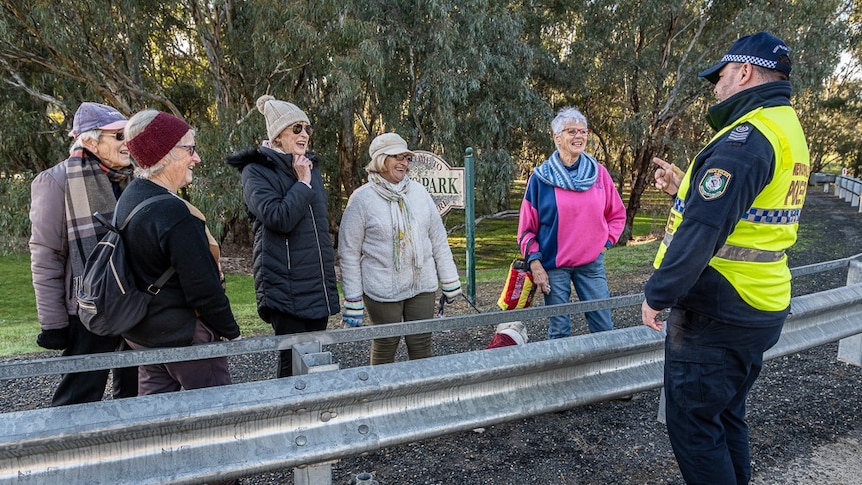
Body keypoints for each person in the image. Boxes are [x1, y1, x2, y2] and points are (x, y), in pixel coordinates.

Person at [641, 31, 810, 484]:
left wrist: (658, 293)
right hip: (759, 302)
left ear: (744, 72)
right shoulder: (784, 128)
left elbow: (704, 230)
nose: (715, 87)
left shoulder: (746, 140)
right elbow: (747, 209)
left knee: (694, 426)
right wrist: (686, 187)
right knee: (726, 415)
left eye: (720, 77)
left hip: (717, 309)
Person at [118, 110, 241, 399]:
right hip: (184, 338)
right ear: (166, 154)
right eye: (189, 149)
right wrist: (230, 331)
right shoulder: (174, 214)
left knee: (157, 423)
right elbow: (203, 289)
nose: (196, 158)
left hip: (144, 335)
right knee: (219, 416)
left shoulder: (132, 196)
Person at [29, 101, 139, 406]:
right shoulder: (55, 181)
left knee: (137, 393)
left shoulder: (133, 179)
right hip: (87, 307)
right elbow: (46, 255)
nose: (127, 143)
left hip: (133, 300)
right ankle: (62, 451)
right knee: (79, 394)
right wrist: (53, 326)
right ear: (90, 140)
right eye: (118, 136)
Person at [226, 95, 339, 377]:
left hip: (316, 283)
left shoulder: (310, 167)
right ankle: (288, 418)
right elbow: (279, 217)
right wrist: (302, 183)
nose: (305, 134)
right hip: (285, 286)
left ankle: (316, 418)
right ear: (277, 136)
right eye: (297, 128)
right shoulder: (256, 171)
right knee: (291, 367)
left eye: (307, 128)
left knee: (317, 363)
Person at [338, 133, 462, 364]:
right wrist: (353, 298)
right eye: (398, 157)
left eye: (406, 158)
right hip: (382, 289)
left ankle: (420, 396)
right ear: (380, 160)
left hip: (422, 284)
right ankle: (383, 398)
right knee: (386, 343)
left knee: (421, 343)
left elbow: (438, 239)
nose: (404, 163)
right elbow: (349, 252)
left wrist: (450, 280)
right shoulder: (361, 200)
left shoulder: (419, 194)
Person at [517, 107, 626, 340]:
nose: (579, 136)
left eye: (583, 131)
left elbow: (617, 214)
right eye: (571, 131)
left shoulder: (599, 174)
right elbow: (526, 230)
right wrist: (535, 265)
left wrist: (604, 244)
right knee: (559, 332)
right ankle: (562, 375)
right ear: (557, 137)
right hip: (554, 265)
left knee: (603, 326)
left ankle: (606, 374)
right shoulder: (540, 179)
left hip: (591, 264)